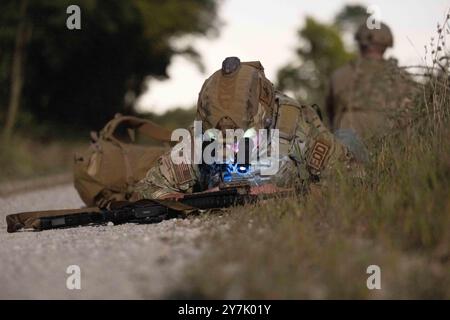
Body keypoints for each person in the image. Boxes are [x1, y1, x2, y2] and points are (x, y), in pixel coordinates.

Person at [133, 57, 365, 200]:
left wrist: (287, 193)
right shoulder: (201, 136)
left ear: (265, 117)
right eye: (217, 136)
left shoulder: (295, 126)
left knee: (350, 140)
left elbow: (353, 178)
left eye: (244, 136)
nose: (231, 144)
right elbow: (149, 188)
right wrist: (189, 198)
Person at [326, 22, 417, 143]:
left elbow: (330, 115)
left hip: (347, 146)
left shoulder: (339, 75)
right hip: (393, 147)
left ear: (360, 43)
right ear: (387, 44)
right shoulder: (403, 78)